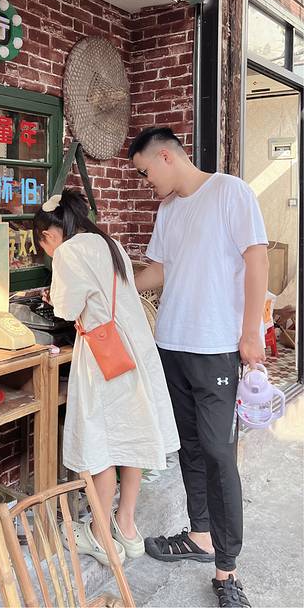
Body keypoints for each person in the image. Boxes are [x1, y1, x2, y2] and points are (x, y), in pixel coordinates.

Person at [129, 126, 268, 608]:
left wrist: (250, 332)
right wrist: (112, 279)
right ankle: (201, 534)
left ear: (166, 157)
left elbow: (256, 259)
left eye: (145, 171)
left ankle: (227, 571)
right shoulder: (169, 210)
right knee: (189, 447)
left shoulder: (230, 192)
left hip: (216, 347)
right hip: (172, 344)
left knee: (218, 452)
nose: (146, 181)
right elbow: (159, 271)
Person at [33, 188, 179, 566]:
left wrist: (54, 294)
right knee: (131, 439)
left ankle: (99, 536)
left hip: (103, 358)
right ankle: (126, 527)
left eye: (43, 245)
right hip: (135, 352)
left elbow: (67, 309)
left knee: (100, 445)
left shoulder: (68, 252)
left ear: (49, 234)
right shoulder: (108, 243)